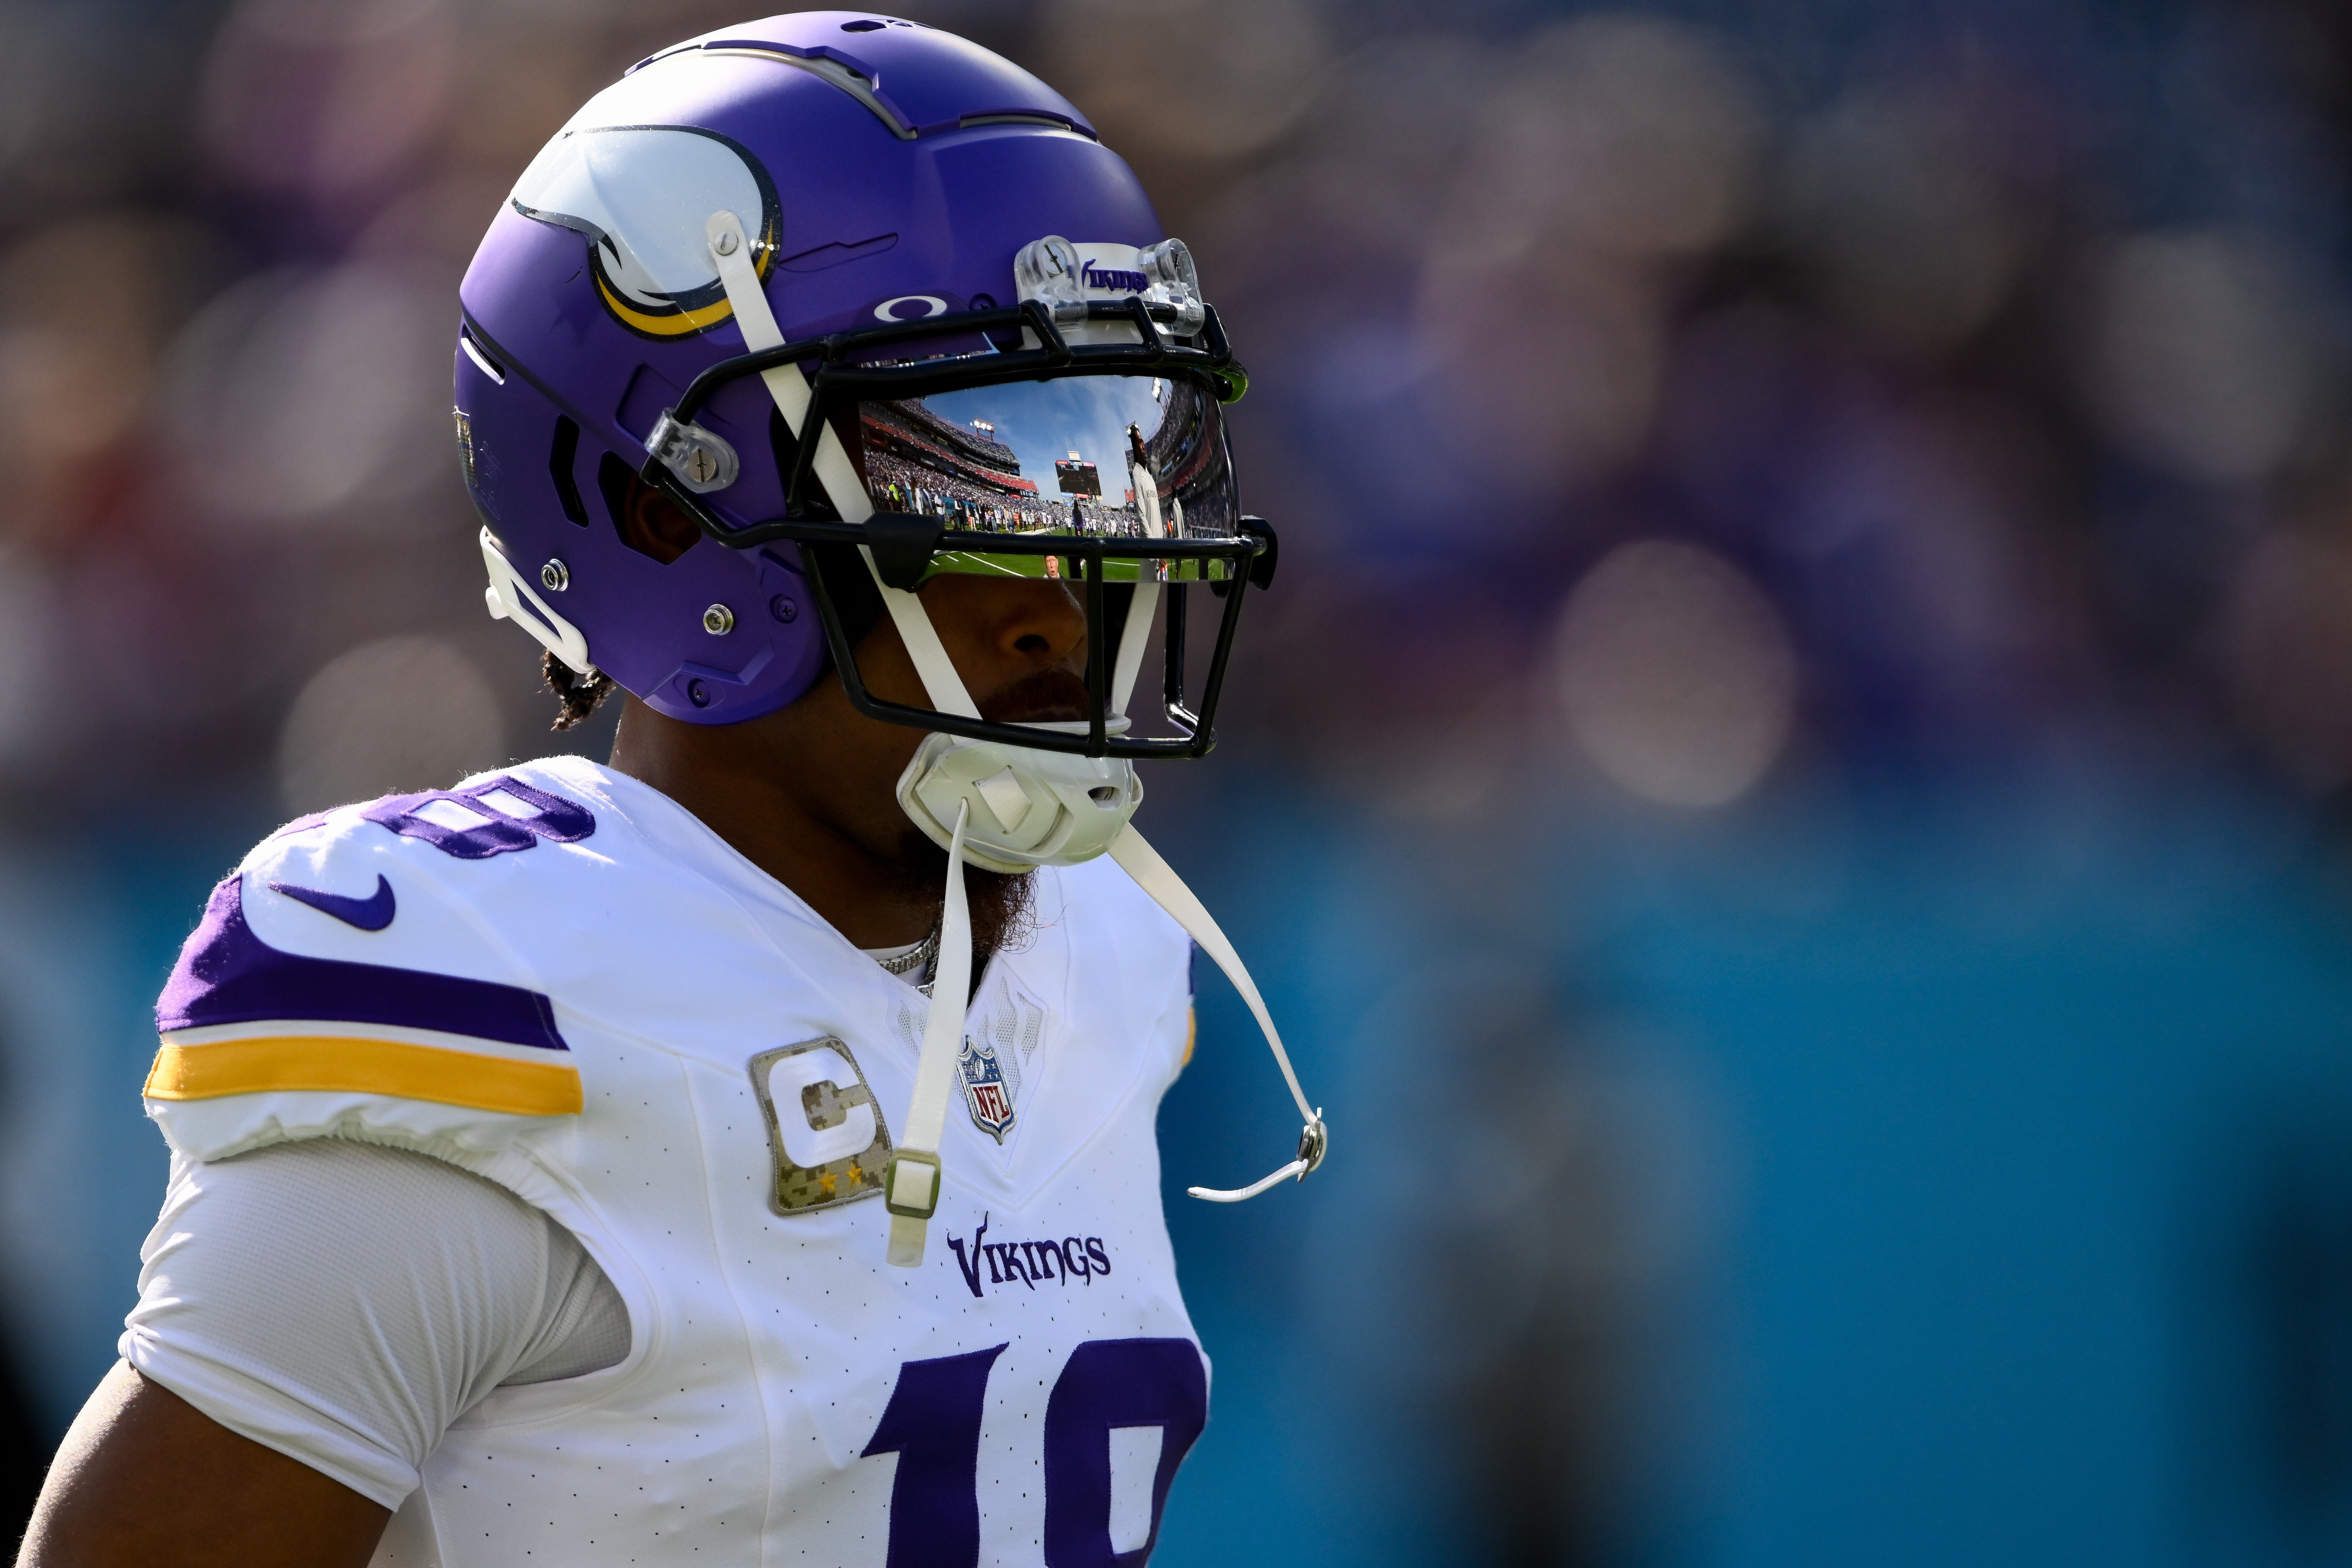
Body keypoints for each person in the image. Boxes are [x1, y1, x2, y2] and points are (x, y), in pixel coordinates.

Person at [16, 14, 1320, 1567]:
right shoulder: (511, 1020)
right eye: (967, 480)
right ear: (659, 517)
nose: (1068, 595)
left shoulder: (1103, 957)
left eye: (1124, 459)